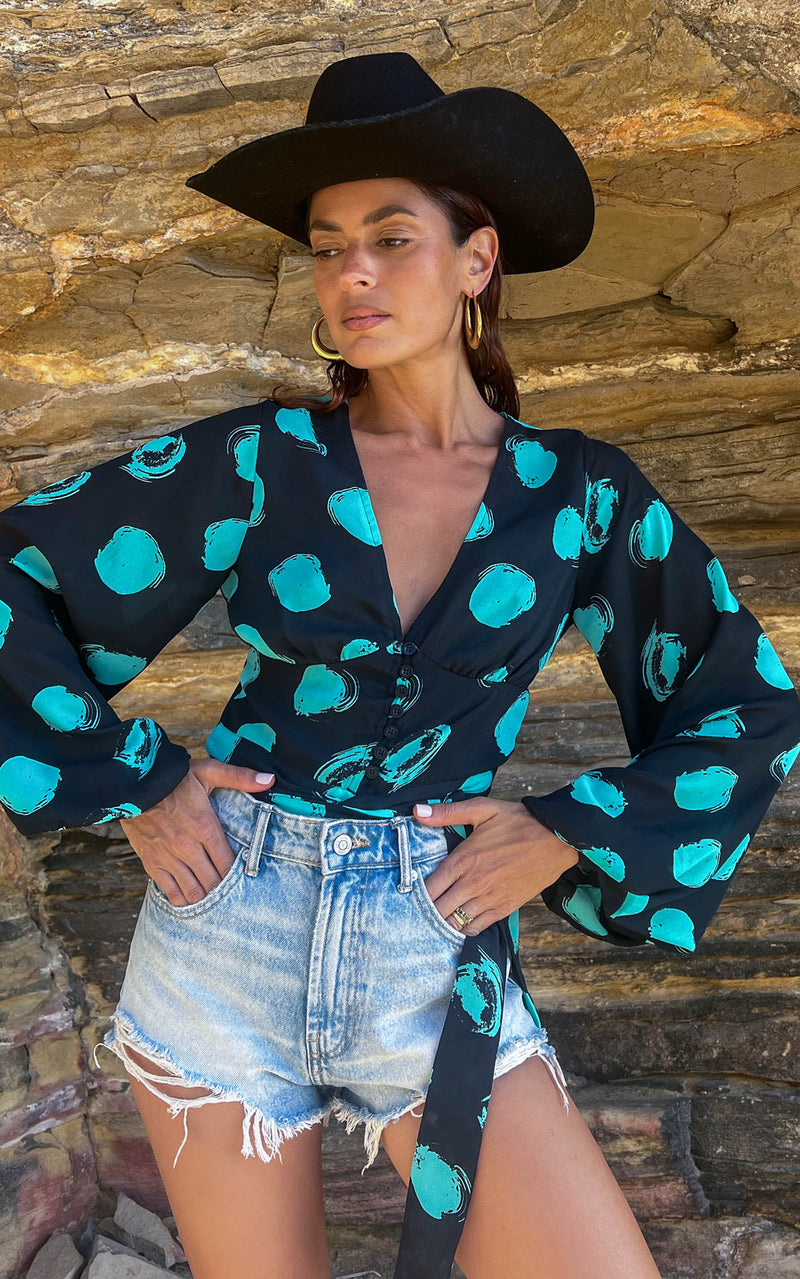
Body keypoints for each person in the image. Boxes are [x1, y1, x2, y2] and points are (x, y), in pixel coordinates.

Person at [1, 49, 798, 1279]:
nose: (352, 273)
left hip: (432, 925)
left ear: (476, 260)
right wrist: (138, 780)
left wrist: (563, 825)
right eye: (326, 247)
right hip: (226, 920)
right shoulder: (266, 461)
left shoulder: (578, 494)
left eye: (389, 237)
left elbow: (744, 700)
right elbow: (14, 582)